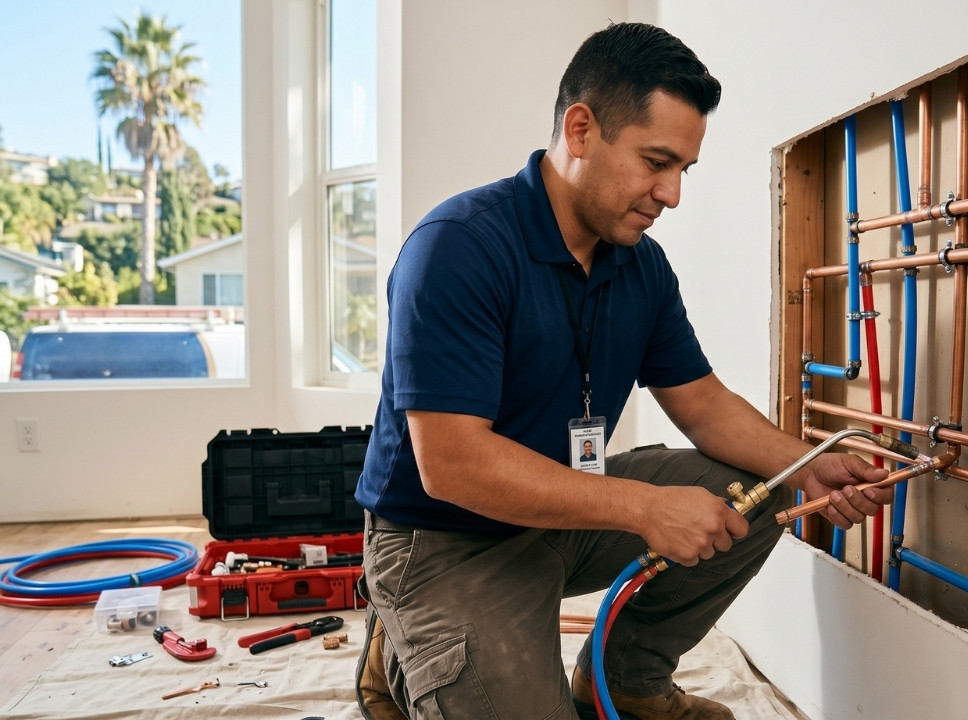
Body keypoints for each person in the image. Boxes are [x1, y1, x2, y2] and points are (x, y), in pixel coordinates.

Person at [353, 21, 891, 720]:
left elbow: (699, 402)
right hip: (446, 539)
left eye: (683, 171)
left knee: (755, 497)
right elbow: (452, 464)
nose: (671, 194)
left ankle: (626, 683)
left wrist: (809, 463)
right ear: (580, 130)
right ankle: (402, 647)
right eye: (655, 162)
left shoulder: (639, 264)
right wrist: (644, 508)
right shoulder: (458, 249)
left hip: (564, 510)